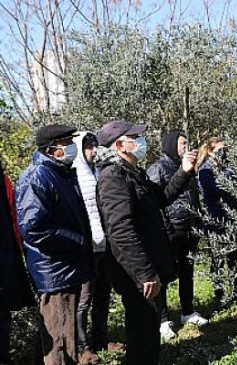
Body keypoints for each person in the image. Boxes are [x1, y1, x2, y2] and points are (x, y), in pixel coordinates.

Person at [95, 120, 197, 364]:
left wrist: (183, 171)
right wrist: (144, 273)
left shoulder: (133, 172)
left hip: (148, 266)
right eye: (135, 137)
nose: (142, 141)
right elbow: (120, 230)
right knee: (142, 335)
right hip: (136, 273)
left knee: (149, 333)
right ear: (120, 145)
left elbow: (159, 198)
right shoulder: (113, 177)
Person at [15, 124, 94, 365]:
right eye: (66, 143)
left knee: (57, 333)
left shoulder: (60, 172)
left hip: (66, 265)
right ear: (51, 149)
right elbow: (35, 228)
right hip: (55, 270)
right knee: (61, 341)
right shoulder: (37, 177)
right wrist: (78, 240)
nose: (71, 147)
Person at [148, 130, 207, 341]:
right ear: (172, 145)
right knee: (163, 277)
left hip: (189, 230)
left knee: (187, 271)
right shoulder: (157, 169)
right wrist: (165, 229)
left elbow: (194, 198)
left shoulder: (188, 168)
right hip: (169, 232)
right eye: (182, 144)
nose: (185, 147)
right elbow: (156, 203)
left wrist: (198, 222)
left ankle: (187, 311)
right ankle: (162, 321)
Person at [72, 132, 121, 364]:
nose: (93, 150)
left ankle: (100, 339)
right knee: (84, 298)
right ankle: (82, 347)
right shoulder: (75, 174)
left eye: (94, 145)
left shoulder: (98, 170)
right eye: (88, 146)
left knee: (103, 294)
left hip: (104, 243)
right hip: (86, 248)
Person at [196, 137, 237, 311]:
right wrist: (230, 183)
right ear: (210, 151)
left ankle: (235, 291)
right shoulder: (205, 171)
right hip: (215, 221)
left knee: (234, 258)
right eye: (220, 150)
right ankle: (219, 295)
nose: (224, 153)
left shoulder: (228, 168)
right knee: (217, 259)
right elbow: (213, 190)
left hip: (232, 219)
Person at [0, 160, 36, 365]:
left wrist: (18, 248)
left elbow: (13, 215)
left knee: (3, 313)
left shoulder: (3, 181)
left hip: (4, 259)